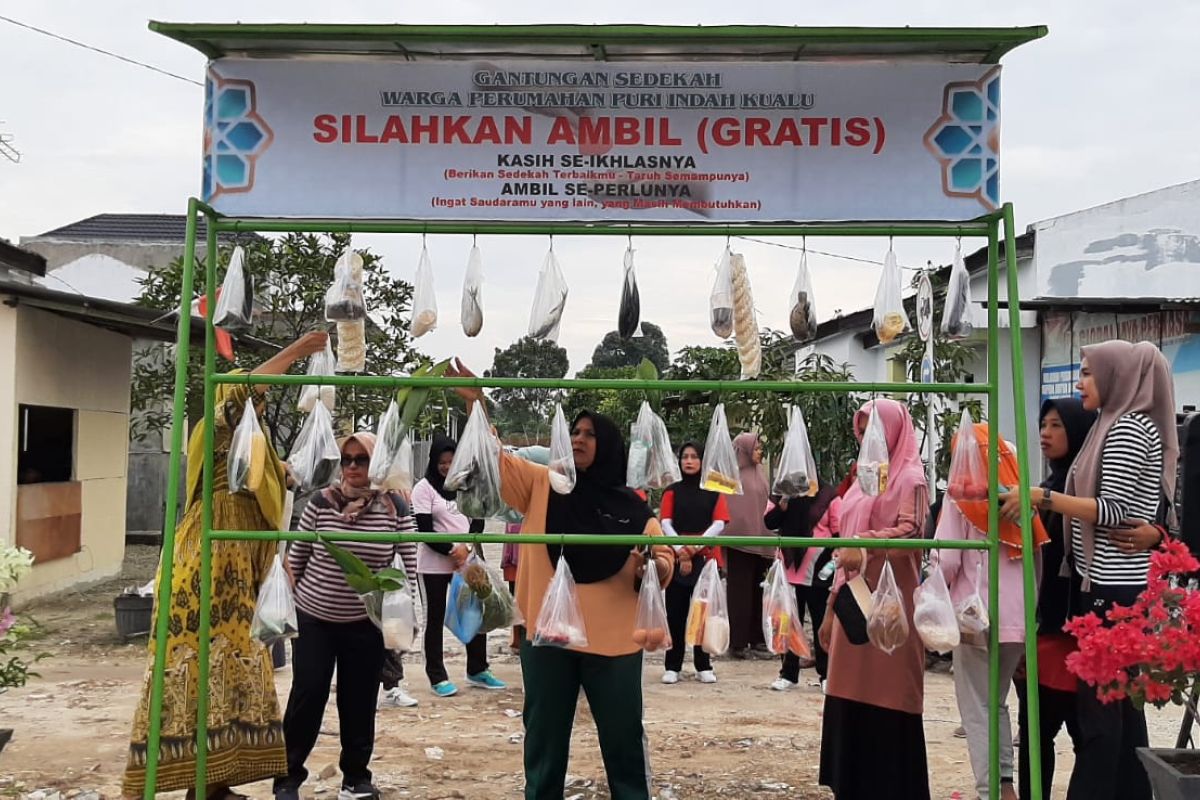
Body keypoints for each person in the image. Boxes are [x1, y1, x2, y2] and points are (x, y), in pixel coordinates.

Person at [447, 359, 674, 800]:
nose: (578, 438)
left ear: (606, 445)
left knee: (624, 741)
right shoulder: (543, 485)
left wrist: (655, 566)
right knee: (545, 743)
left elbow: (662, 556)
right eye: (575, 431)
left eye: (590, 433)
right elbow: (496, 461)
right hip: (548, 639)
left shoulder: (632, 508)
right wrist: (478, 405)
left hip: (614, 646)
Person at [123, 331, 328, 799]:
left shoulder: (249, 444)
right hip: (209, 563)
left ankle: (213, 784)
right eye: (251, 395)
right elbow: (245, 388)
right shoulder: (217, 427)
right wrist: (297, 351)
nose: (258, 400)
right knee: (202, 668)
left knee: (230, 670)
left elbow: (283, 475)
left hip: (239, 567)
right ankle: (183, 783)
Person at [1002, 340, 1177, 800]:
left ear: (1116, 376)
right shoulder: (1111, 425)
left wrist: (1041, 499)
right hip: (1104, 584)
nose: (1079, 382)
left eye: (1087, 373)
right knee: (1118, 712)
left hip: (1112, 589)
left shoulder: (1128, 431)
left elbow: (1116, 510)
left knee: (1102, 718)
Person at [274, 432, 416, 800]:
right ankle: (288, 778)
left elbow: (409, 568)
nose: (353, 467)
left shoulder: (395, 507)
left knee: (358, 699)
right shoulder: (322, 501)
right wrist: (292, 602)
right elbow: (298, 556)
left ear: (376, 463)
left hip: (365, 624)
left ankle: (356, 777)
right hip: (316, 617)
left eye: (362, 459)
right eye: (347, 459)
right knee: (308, 694)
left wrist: (403, 621)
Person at [818, 398, 931, 800]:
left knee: (890, 696)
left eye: (874, 430)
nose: (866, 437)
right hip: (853, 607)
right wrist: (830, 612)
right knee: (849, 694)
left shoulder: (911, 479)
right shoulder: (864, 479)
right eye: (862, 430)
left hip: (891, 609)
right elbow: (842, 549)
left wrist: (865, 544)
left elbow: (912, 531)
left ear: (895, 432)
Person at [935, 424, 1048, 800]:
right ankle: (1005, 783)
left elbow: (946, 560)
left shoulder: (962, 499)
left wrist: (931, 597)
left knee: (977, 708)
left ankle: (990, 792)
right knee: (996, 701)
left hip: (975, 618)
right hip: (1017, 619)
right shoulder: (1021, 499)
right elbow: (1038, 561)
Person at [1015, 398, 1096, 800]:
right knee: (1034, 739)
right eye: (1043, 424)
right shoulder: (1041, 491)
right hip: (1042, 638)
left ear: (1080, 431)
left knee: (1090, 741)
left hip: (1082, 639)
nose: (1045, 433)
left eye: (1057, 426)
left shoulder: (1084, 494)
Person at [411, 434, 506, 696]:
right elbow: (424, 530)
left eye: (452, 461)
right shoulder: (424, 489)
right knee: (435, 617)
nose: (447, 466)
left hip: (467, 560)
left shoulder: (466, 485)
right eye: (442, 462)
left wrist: (466, 547)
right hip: (434, 563)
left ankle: (477, 669)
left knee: (475, 611)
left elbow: (478, 519)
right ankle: (437, 675)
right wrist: (453, 549)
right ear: (434, 462)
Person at [659, 441, 730, 685]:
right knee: (675, 614)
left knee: (703, 614)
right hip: (677, 559)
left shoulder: (714, 490)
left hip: (706, 560)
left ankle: (703, 664)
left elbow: (719, 524)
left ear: (702, 461)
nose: (688, 461)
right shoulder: (671, 490)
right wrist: (681, 551)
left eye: (694, 457)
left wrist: (693, 549)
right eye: (684, 457)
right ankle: (672, 665)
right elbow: (665, 523)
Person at [764, 483, 841, 692]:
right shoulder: (781, 491)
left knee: (819, 622)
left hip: (818, 569)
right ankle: (788, 673)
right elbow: (769, 522)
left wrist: (834, 554)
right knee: (787, 622)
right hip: (789, 566)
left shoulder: (827, 494)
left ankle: (826, 674)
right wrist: (783, 504)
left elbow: (839, 530)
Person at [724, 432, 773, 657]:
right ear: (743, 450)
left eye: (760, 448)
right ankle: (738, 643)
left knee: (758, 590)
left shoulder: (759, 474)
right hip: (739, 542)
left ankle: (757, 638)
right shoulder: (731, 477)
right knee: (739, 593)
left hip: (761, 540)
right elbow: (730, 509)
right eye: (755, 448)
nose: (759, 452)